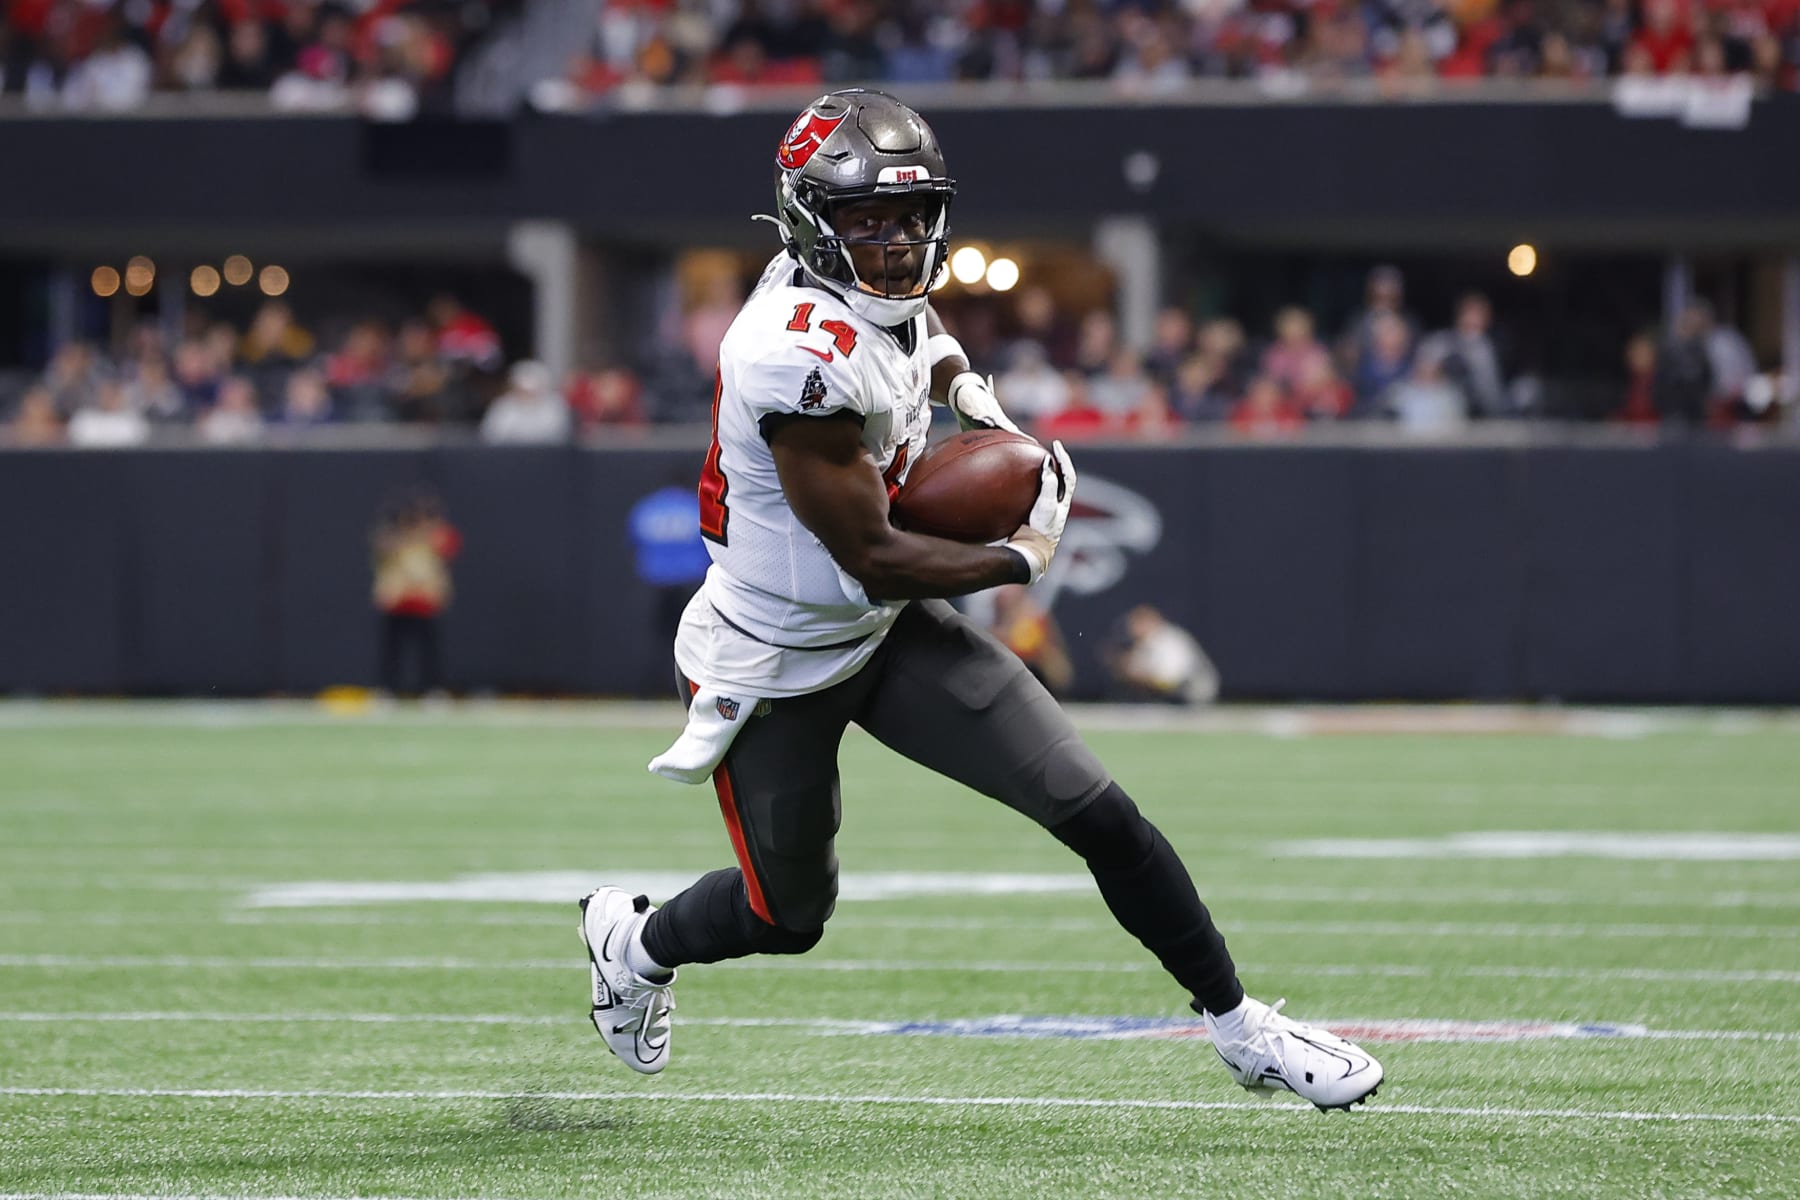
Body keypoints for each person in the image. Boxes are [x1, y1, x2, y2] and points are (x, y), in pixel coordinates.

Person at [577, 89, 1383, 1113]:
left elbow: (918, 322)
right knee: (790, 915)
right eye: (869, 221)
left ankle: (1241, 1028)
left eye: (913, 218)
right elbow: (873, 555)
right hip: (777, 653)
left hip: (882, 632)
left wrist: (964, 389)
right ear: (809, 221)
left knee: (1099, 813)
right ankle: (633, 944)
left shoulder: (868, 285)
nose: (897, 245)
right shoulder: (789, 354)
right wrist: (1021, 555)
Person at [371, 491, 461, 697]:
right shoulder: (393, 539)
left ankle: (432, 689)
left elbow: (450, 543)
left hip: (423, 600)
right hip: (397, 600)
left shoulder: (431, 538)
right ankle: (387, 689)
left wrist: (427, 524)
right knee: (392, 649)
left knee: (429, 650)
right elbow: (381, 546)